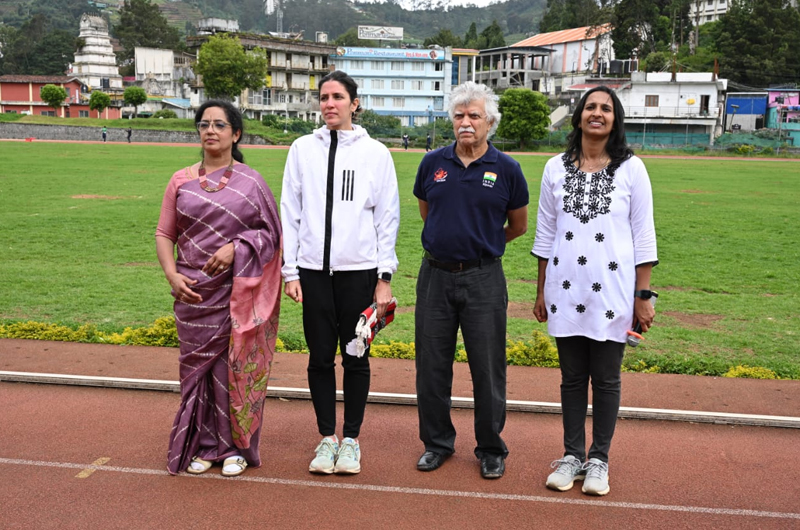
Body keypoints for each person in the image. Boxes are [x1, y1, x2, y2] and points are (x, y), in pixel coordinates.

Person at [532, 86, 658, 496]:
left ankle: (599, 459)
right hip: (565, 289)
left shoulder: (631, 169)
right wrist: (540, 293)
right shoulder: (554, 168)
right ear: (579, 116)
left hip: (613, 292)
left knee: (605, 379)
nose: (597, 114)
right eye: (591, 107)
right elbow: (545, 234)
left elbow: (644, 236)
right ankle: (572, 456)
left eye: (606, 108)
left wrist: (644, 296)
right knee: (571, 378)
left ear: (615, 118)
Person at [281, 70, 400, 475]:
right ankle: (326, 438)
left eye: (337, 96)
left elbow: (388, 218)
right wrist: (290, 271)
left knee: (356, 356)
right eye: (324, 97)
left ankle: (351, 441)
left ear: (354, 102)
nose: (329, 103)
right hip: (313, 273)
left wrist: (384, 276)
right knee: (318, 358)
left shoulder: (376, 153)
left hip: (359, 273)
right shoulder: (301, 149)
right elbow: (290, 214)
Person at [155, 100, 282, 477]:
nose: (210, 130)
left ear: (235, 134)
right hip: (192, 293)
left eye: (219, 125)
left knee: (233, 370)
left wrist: (236, 248)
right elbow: (165, 233)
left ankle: (235, 448)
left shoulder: (252, 182)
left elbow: (271, 235)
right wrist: (171, 275)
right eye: (204, 124)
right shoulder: (180, 180)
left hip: (236, 296)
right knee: (198, 373)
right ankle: (204, 444)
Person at [413, 81, 528, 480]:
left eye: (474, 116)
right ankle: (437, 444)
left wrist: (483, 244)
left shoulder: (507, 169)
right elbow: (428, 213)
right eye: (459, 115)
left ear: (489, 122)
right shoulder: (432, 164)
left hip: (483, 278)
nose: (466, 122)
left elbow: (517, 226)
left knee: (488, 367)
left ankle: (491, 448)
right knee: (431, 366)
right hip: (435, 276)